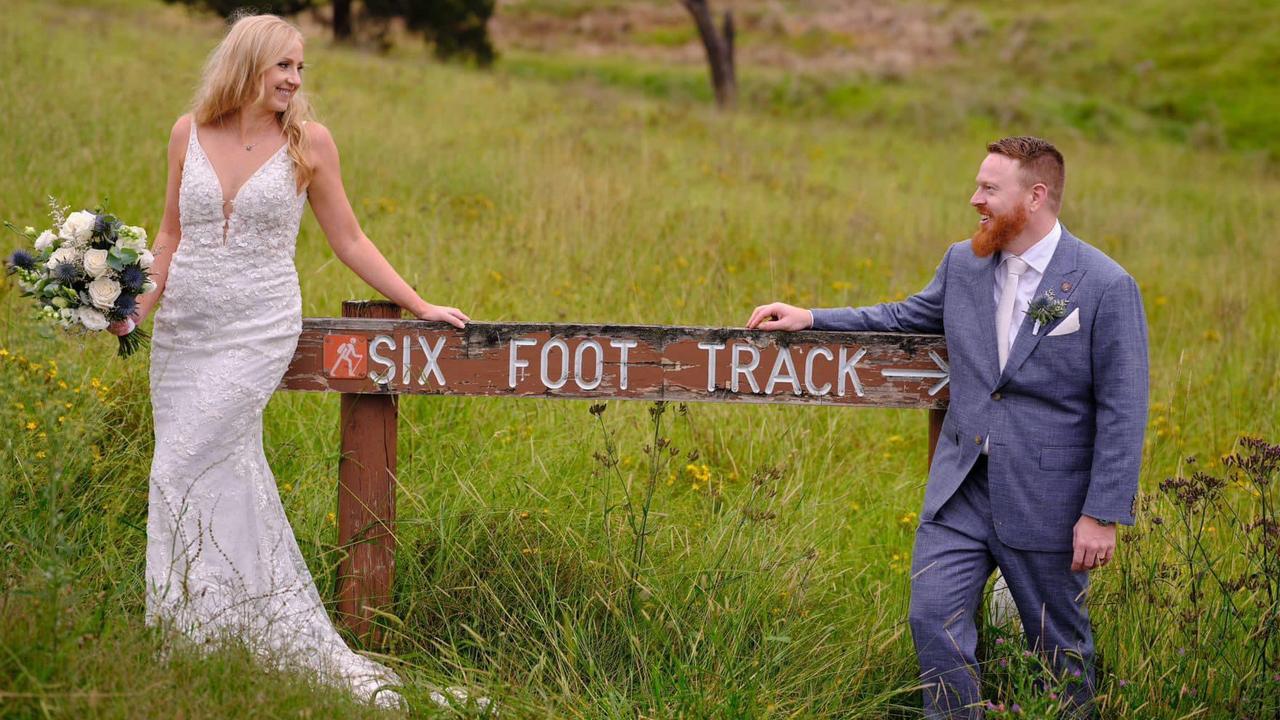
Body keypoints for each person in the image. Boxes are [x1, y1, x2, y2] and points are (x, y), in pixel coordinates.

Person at [107, 14, 468, 708]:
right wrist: (135, 309)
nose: (296, 81)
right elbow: (170, 235)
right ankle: (198, 634)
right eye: (285, 67)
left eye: (301, 69)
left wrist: (420, 304)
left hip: (257, 325)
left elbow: (350, 239)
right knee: (197, 471)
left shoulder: (309, 143)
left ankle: (232, 630)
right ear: (248, 64)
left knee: (185, 461)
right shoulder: (188, 132)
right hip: (185, 330)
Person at [747, 136, 1148, 718]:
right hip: (960, 487)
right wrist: (812, 317)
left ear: (1035, 196)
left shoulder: (1105, 285)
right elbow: (903, 316)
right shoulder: (965, 263)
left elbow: (1124, 407)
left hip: (1049, 499)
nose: (974, 199)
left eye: (989, 188)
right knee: (932, 618)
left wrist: (1102, 513)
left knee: (1057, 650)